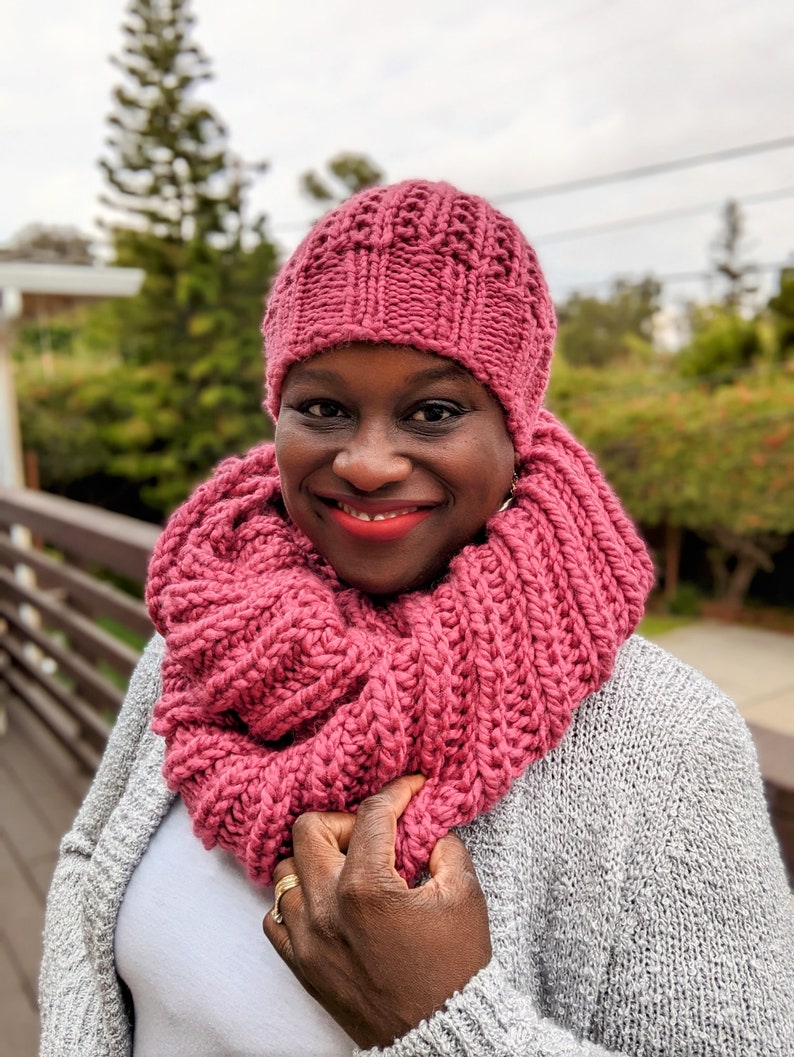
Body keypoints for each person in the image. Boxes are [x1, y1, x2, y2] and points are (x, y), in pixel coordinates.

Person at [39, 180, 792, 1057]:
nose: (365, 461)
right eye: (321, 406)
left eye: (432, 412)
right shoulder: (203, 635)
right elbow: (90, 866)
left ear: (516, 431)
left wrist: (442, 1022)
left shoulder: (665, 741)